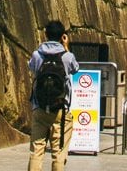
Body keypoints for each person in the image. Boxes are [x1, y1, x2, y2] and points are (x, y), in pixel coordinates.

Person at [27, 20, 79, 171]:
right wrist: (66, 47)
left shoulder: (37, 54)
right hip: (60, 109)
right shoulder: (67, 56)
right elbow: (75, 69)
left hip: (40, 107)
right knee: (58, 152)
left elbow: (32, 67)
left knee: (36, 150)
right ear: (63, 36)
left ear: (45, 35)